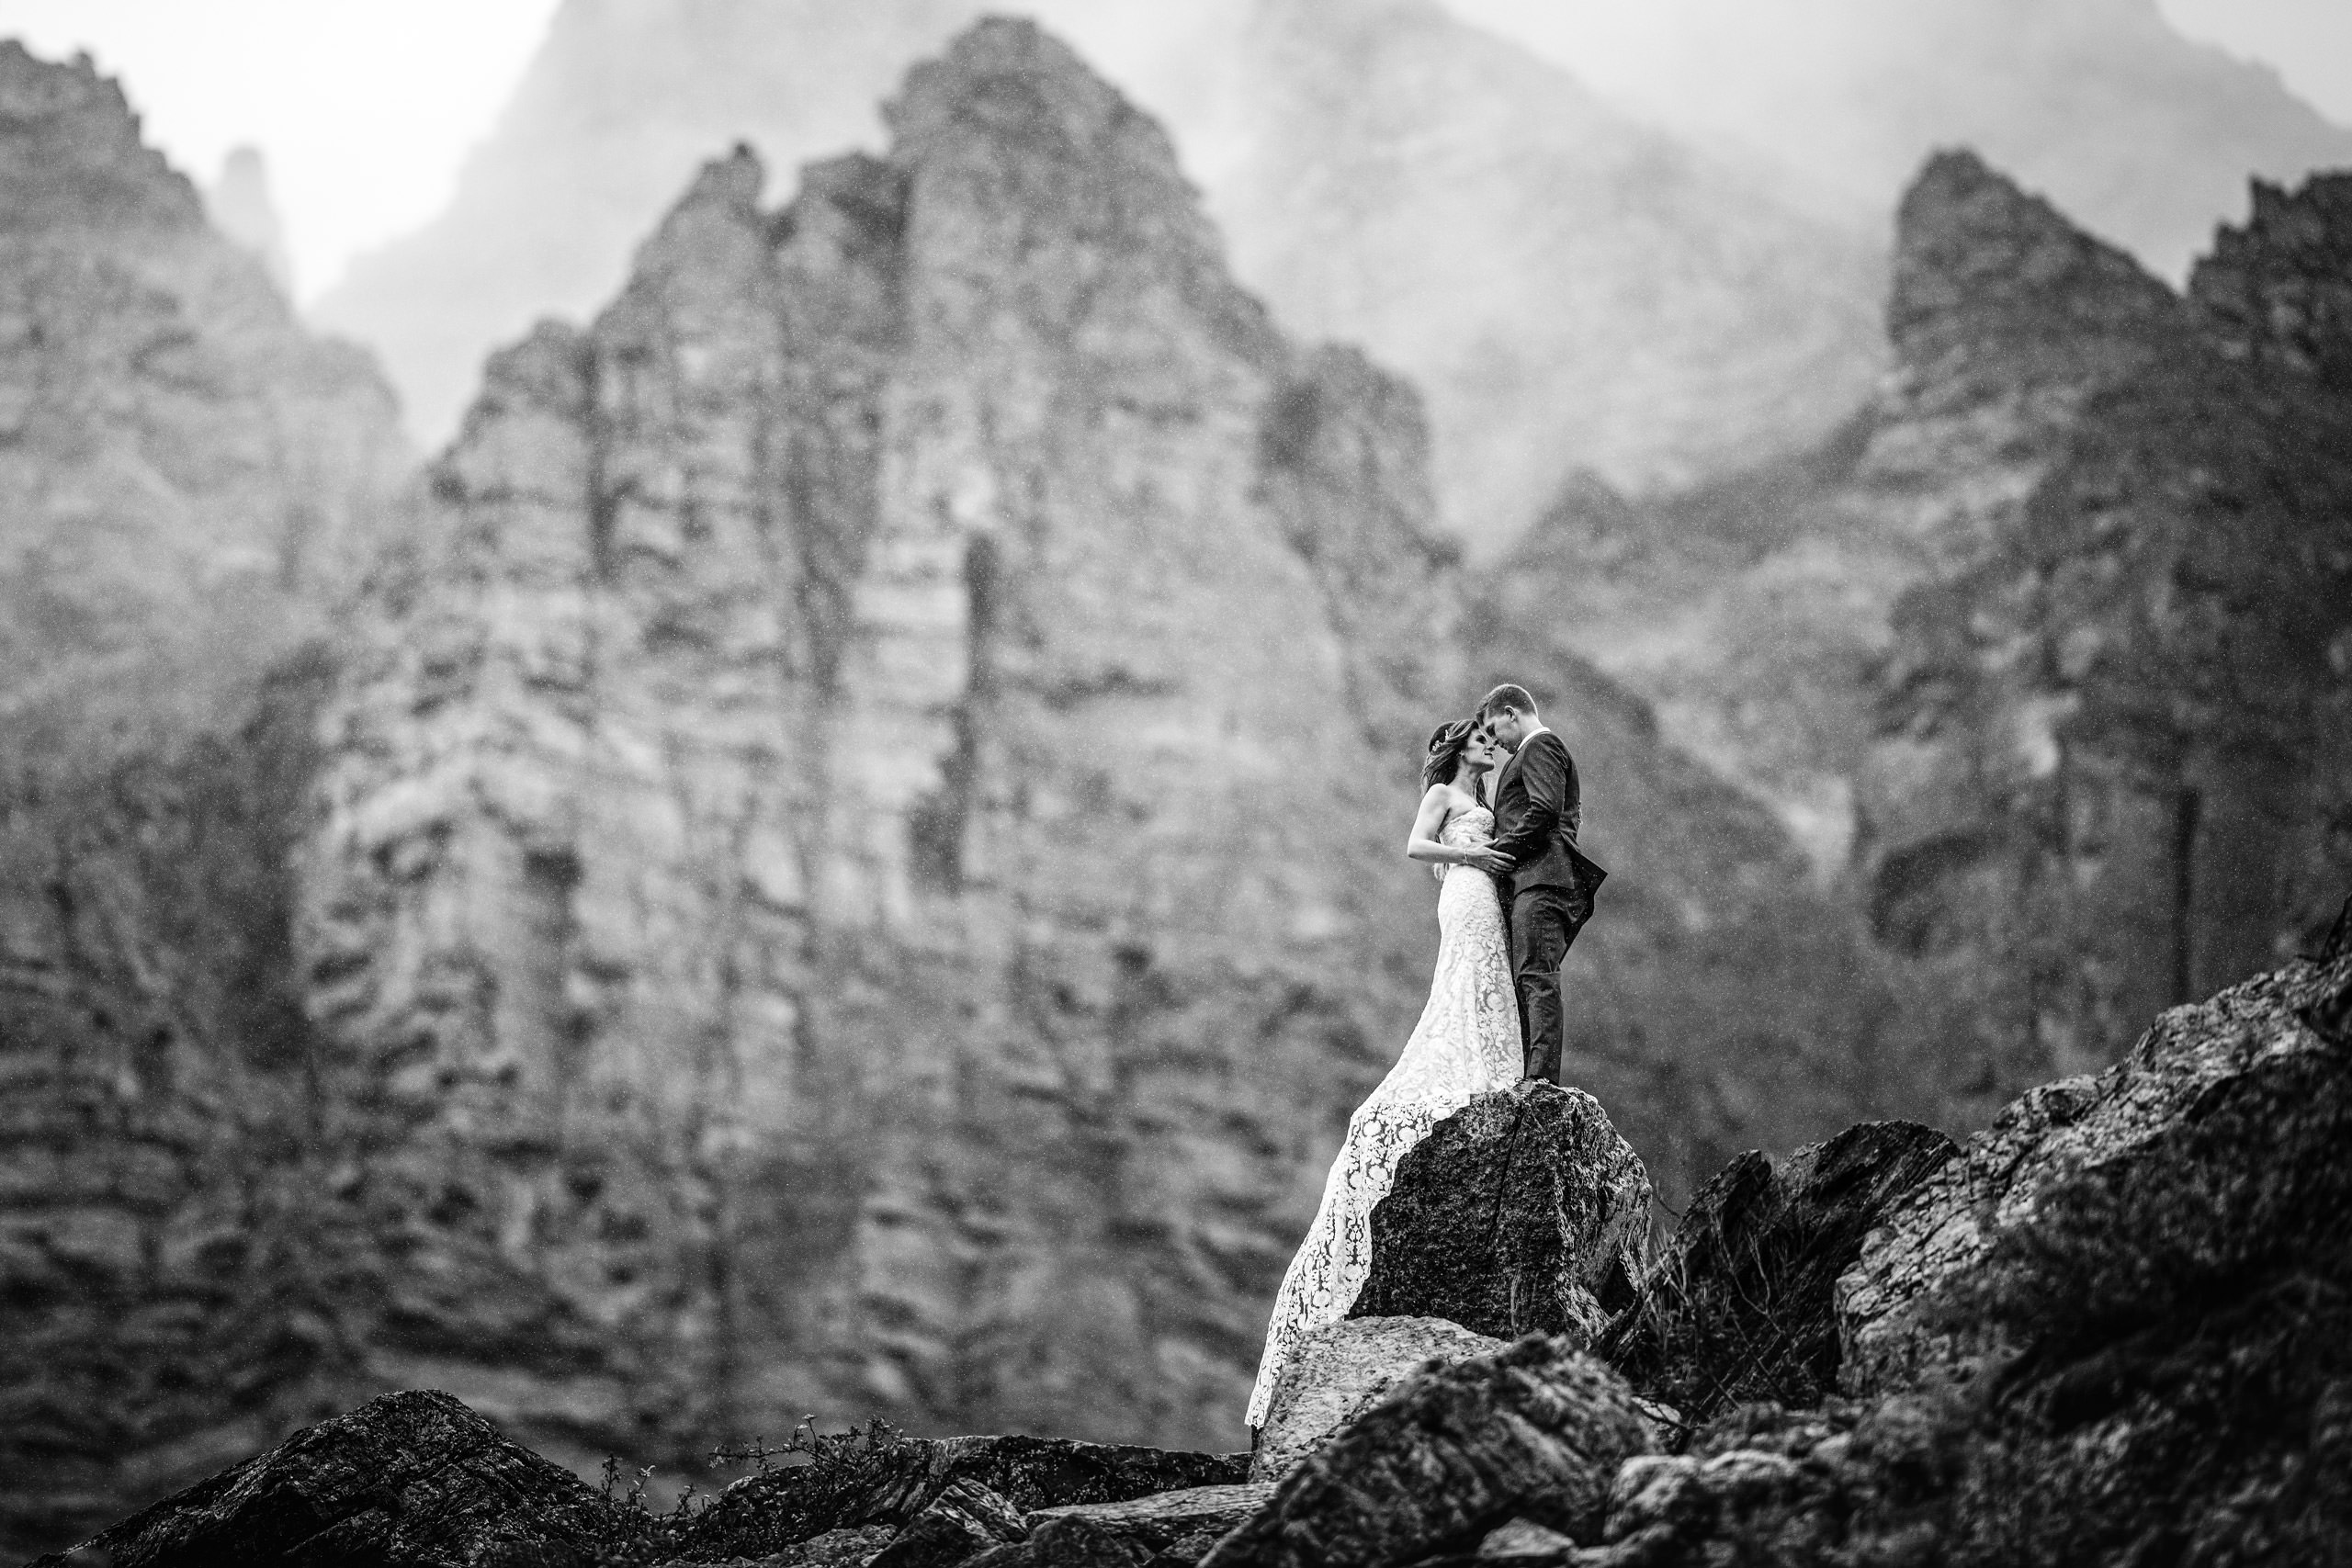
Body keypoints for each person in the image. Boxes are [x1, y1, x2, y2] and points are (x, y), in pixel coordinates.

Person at [1243, 716, 1523, 1431]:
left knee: (1489, 980)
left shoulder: (1485, 794)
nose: (1490, 752)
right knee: (1466, 978)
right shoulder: (1444, 792)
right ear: (1462, 750)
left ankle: (1489, 1066)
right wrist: (1478, 863)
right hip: (1466, 893)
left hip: (1483, 892)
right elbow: (1413, 845)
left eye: (1493, 745)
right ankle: (1467, 1071)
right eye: (1482, 745)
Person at [1478, 683, 1606, 1088]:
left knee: (1536, 976)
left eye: (1493, 729)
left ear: (1511, 713)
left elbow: (1544, 810)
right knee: (1530, 977)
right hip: (1542, 879)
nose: (1494, 742)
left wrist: (1499, 853)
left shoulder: (1540, 747)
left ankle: (1540, 1082)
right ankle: (1532, 1075)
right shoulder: (1539, 750)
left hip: (1543, 879)